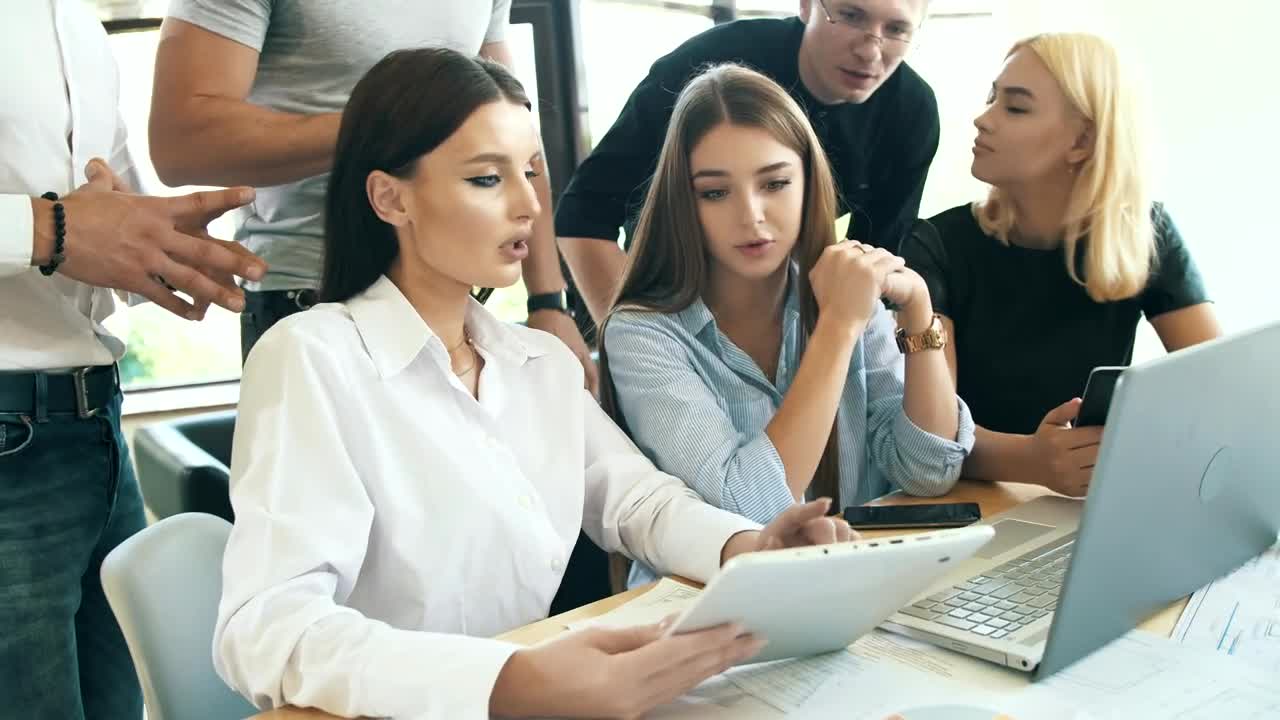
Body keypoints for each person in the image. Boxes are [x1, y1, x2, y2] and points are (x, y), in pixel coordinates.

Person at [214, 48, 853, 719]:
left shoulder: (537, 363)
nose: (528, 205)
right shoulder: (312, 357)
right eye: (488, 179)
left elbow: (641, 504)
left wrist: (747, 547)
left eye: (530, 173)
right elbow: (266, 630)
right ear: (389, 196)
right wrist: (508, 682)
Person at [600, 63, 973, 588]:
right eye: (715, 192)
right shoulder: (644, 333)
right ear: (685, 202)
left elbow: (929, 471)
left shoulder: (844, 294)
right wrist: (838, 328)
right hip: (706, 613)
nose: (751, 216)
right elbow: (752, 508)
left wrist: (917, 311)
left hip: (848, 591)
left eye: (774, 183)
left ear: (807, 182)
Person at [0, 2, 264, 716]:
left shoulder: (74, 23)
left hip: (92, 423)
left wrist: (168, 247)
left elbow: (103, 203)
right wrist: (48, 228)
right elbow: (65, 225)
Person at [150, 0, 595, 390]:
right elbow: (179, 143)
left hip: (448, 300)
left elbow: (510, 132)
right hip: (312, 291)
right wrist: (397, 124)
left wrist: (547, 300)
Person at [901, 32, 1221, 498]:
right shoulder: (935, 244)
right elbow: (931, 439)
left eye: (1015, 107)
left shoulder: (1144, 231)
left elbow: (1219, 385)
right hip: (971, 502)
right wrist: (1034, 460)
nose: (981, 119)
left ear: (1082, 141)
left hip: (1081, 502)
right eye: (993, 98)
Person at [557, 0, 938, 327]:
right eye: (851, 15)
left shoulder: (911, 112)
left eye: (897, 28)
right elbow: (584, 215)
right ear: (805, 5)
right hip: (667, 289)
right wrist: (632, 342)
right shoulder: (704, 68)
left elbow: (869, 269)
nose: (871, 50)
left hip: (778, 310)